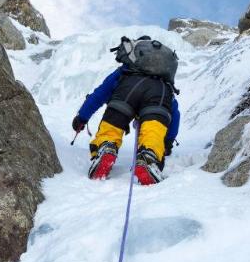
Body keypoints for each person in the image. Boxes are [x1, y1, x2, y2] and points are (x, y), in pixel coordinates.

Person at [72, 36, 180, 185]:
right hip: (158, 94)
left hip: (127, 89)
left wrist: (82, 117)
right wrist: (167, 142)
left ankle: (107, 148)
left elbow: (99, 94)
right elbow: (175, 115)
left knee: (112, 126)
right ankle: (148, 157)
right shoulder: (165, 83)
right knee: (153, 129)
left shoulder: (124, 71)